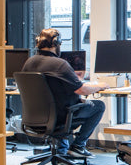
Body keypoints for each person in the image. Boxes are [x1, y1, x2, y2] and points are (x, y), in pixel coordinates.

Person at [22, 28, 108, 158]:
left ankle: (62, 149)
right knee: (99, 106)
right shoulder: (60, 64)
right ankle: (78, 146)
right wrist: (100, 85)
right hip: (61, 118)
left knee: (60, 104)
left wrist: (73, 79)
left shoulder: (29, 62)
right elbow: (82, 90)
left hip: (34, 119)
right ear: (56, 44)